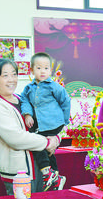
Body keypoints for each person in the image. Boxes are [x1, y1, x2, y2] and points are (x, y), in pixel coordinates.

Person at [0, 58, 60, 196]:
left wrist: (55, 137)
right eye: (5, 75)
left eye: (14, 74)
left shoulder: (22, 99)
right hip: (19, 174)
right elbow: (16, 138)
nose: (11, 79)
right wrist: (47, 142)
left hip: (40, 168)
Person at [20, 52, 69, 191]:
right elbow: (24, 100)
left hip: (53, 123)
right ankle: (56, 177)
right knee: (48, 150)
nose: (43, 71)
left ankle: (47, 172)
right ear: (31, 70)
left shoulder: (53, 86)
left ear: (51, 70)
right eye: (39, 68)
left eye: (46, 68)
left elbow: (65, 101)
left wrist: (64, 120)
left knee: (37, 143)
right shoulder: (29, 88)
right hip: (40, 124)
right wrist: (27, 114)